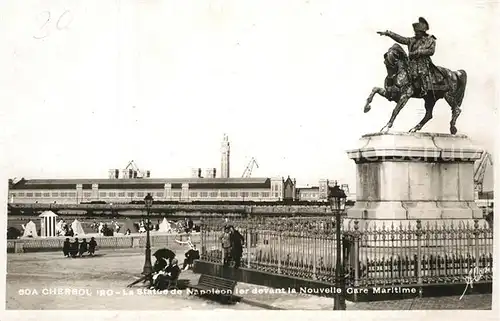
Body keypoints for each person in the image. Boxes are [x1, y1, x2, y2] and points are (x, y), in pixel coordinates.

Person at [377, 17, 448, 96]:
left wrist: (420, 52)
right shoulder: (412, 40)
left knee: (421, 71)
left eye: (417, 32)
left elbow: (431, 51)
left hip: (423, 62)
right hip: (411, 62)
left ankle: (424, 89)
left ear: (422, 32)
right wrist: (388, 33)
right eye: (415, 32)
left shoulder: (430, 40)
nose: (415, 33)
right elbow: (401, 39)